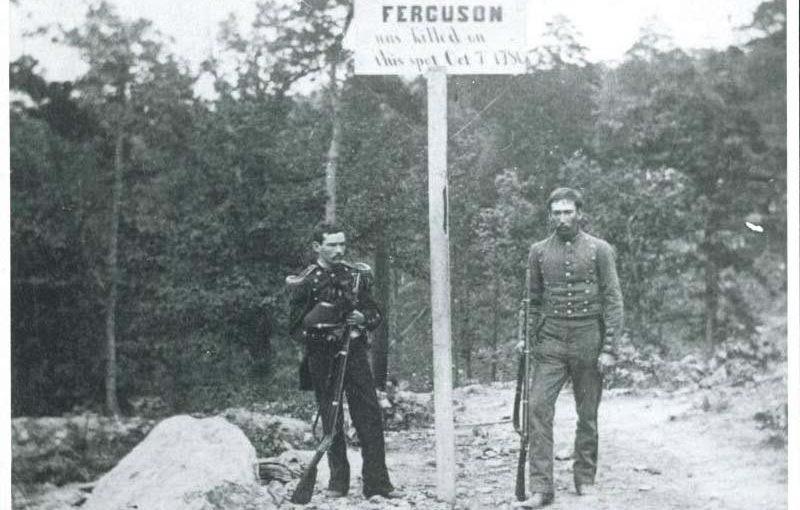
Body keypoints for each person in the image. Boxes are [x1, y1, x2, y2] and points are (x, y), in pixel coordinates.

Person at [518, 187, 624, 508]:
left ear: (579, 213)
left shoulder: (600, 250)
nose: (562, 218)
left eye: (568, 212)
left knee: (587, 412)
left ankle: (584, 478)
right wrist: (523, 336)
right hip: (550, 341)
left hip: (588, 339)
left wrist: (609, 349)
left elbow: (613, 300)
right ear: (549, 215)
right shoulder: (538, 251)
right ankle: (541, 488)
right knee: (537, 407)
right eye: (557, 212)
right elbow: (532, 300)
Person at [286, 222, 401, 500]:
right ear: (317, 247)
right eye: (332, 245)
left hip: (355, 354)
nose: (339, 250)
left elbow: (375, 314)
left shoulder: (355, 275)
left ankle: (378, 484)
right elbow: (295, 328)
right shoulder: (306, 281)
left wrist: (363, 319)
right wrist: (322, 332)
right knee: (331, 421)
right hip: (323, 359)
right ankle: (338, 483)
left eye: (342, 244)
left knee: (369, 417)